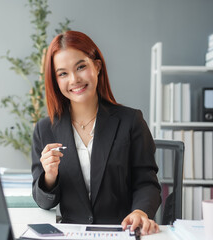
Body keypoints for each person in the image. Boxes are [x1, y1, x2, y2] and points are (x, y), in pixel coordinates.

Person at [31, 30, 161, 235]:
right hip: (71, 235)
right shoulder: (45, 129)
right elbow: (43, 202)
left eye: (81, 67)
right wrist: (49, 176)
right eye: (63, 73)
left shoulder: (130, 121)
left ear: (97, 67)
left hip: (121, 231)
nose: (74, 79)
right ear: (55, 80)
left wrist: (140, 211)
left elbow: (147, 182)